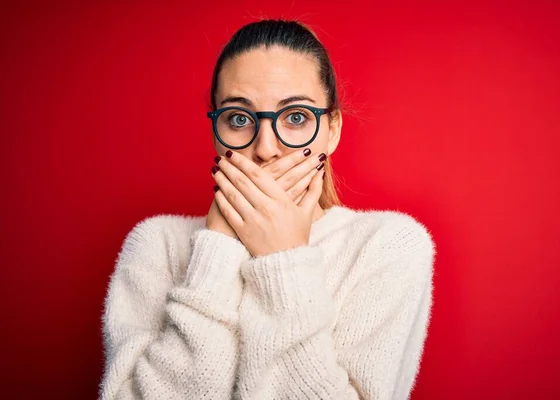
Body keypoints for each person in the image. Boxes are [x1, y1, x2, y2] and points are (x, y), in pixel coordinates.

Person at [99, 19, 436, 400]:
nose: (265, 148)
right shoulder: (156, 244)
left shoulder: (387, 245)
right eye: (239, 119)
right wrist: (217, 248)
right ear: (216, 132)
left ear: (333, 130)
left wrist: (283, 258)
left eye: (295, 118)